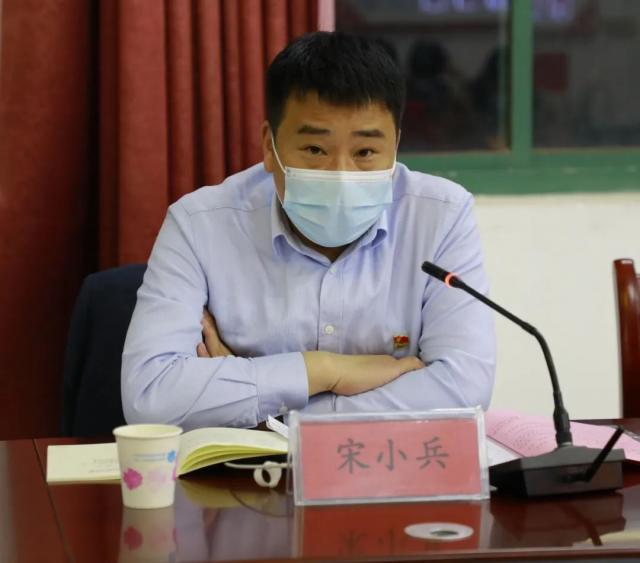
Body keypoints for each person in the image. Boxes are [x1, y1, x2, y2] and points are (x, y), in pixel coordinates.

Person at [121, 32, 495, 430]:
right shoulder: (199, 224)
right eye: (315, 150)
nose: (341, 174)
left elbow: (464, 390)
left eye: (365, 152)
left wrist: (269, 411)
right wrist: (325, 371)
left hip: (384, 465)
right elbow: (151, 398)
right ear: (270, 146)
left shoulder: (441, 217)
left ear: (396, 146)